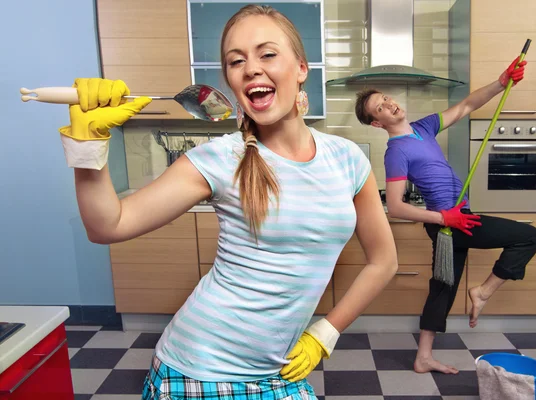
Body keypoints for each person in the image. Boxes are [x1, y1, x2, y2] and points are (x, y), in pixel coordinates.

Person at [54, 4, 398, 399]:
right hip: (199, 369)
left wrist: (324, 333)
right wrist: (87, 148)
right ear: (231, 81)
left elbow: (384, 260)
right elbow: (107, 226)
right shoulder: (220, 158)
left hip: (277, 368)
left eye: (267, 54)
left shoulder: (348, 158)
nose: (251, 68)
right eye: (236, 61)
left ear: (301, 68)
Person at [353, 58, 536, 375]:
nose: (389, 105)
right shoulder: (396, 152)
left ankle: (423, 357)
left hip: (455, 221)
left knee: (442, 288)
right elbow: (397, 207)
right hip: (451, 224)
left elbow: (467, 104)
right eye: (380, 108)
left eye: (386, 99)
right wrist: (445, 219)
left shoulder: (424, 128)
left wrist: (501, 80)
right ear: (377, 123)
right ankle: (482, 293)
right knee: (528, 236)